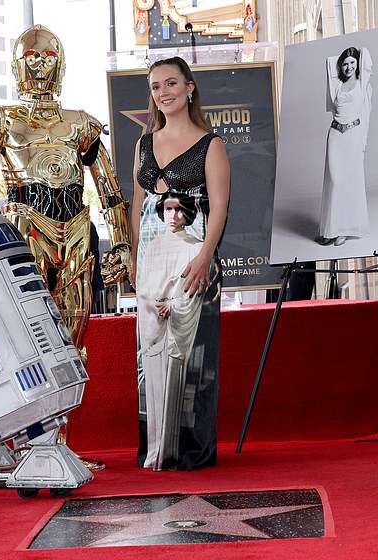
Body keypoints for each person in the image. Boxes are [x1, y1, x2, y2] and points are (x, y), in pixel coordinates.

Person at [0, 25, 130, 362]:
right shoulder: (1, 119)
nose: (40, 65)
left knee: (74, 342)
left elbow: (110, 193)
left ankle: (66, 410)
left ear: (61, 65)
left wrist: (123, 243)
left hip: (77, 233)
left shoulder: (82, 123)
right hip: (25, 229)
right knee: (26, 337)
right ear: (18, 64)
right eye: (31, 56)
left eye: (49, 56)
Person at [130, 56, 230, 471]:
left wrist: (206, 257)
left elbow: (220, 208)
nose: (163, 92)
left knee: (192, 355)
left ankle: (191, 451)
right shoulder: (143, 143)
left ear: (190, 88)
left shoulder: (212, 144)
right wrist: (135, 260)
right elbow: (138, 207)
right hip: (152, 262)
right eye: (156, 87)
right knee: (150, 352)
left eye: (171, 83)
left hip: (193, 260)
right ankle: (155, 448)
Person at [316, 46, 372, 247]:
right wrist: (343, 58)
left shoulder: (363, 84)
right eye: (345, 63)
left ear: (358, 64)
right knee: (334, 182)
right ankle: (330, 230)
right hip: (335, 137)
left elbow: (366, 114)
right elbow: (330, 62)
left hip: (353, 136)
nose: (348, 67)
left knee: (349, 182)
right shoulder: (336, 86)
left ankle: (344, 230)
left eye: (352, 63)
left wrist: (363, 141)